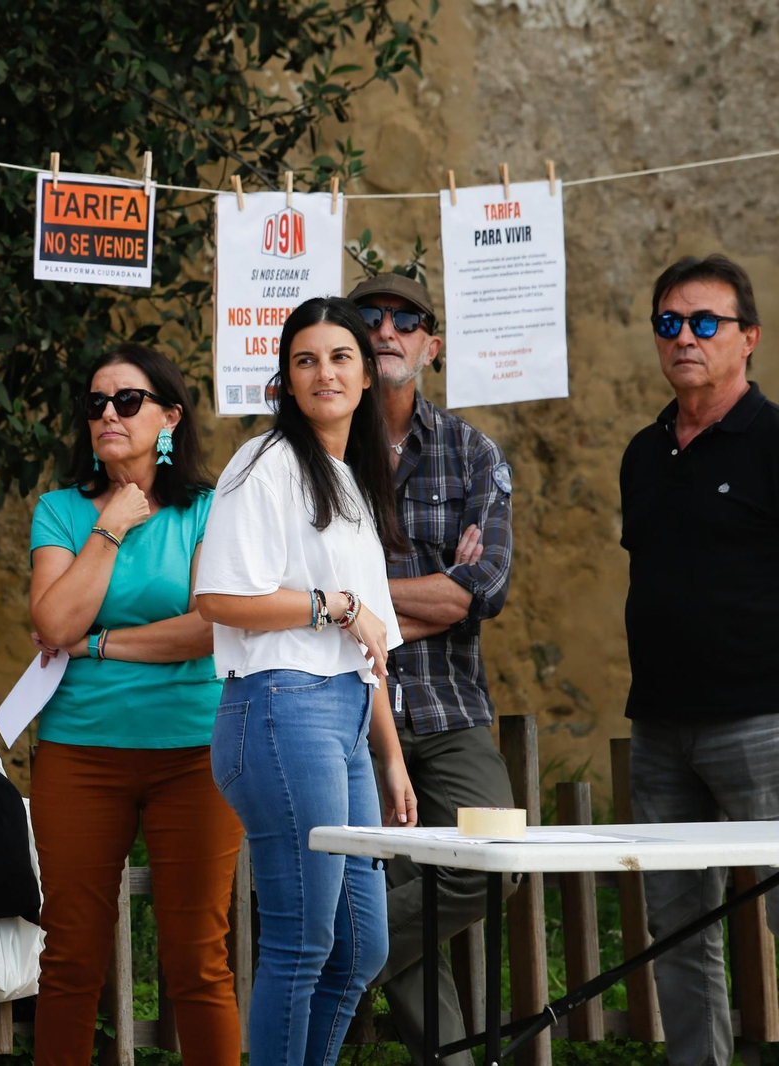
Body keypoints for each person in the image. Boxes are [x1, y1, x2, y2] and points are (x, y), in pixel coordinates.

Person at [196, 296, 418, 1066]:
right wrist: (335, 604)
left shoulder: (349, 481)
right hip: (280, 708)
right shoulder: (265, 464)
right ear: (287, 381)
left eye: (340, 357)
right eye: (306, 360)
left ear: (367, 376)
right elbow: (219, 598)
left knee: (361, 948)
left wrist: (390, 757)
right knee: (303, 941)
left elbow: (372, 645)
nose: (324, 372)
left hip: (345, 719)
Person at [27, 342, 242, 1064]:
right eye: (96, 403)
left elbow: (207, 628)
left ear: (170, 417)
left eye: (127, 400)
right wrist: (113, 524)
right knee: (70, 955)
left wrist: (97, 644)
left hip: (195, 750)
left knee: (198, 958)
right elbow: (54, 621)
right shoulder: (61, 512)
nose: (108, 415)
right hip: (81, 750)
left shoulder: (209, 510)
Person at [348, 272, 516, 1065]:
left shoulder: (472, 452)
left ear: (431, 345)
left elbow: (480, 592)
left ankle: (344, 954)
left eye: (406, 321)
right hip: (348, 707)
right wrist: (433, 590)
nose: (387, 330)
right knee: (390, 879)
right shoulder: (320, 450)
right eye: (370, 317)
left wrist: (357, 603)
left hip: (450, 709)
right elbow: (297, 592)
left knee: (497, 863)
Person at [621, 254, 779, 1066]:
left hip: (761, 722)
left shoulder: (773, 441)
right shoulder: (643, 453)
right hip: (659, 729)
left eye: (706, 322)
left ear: (748, 337)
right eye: (669, 322)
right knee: (678, 930)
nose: (685, 337)